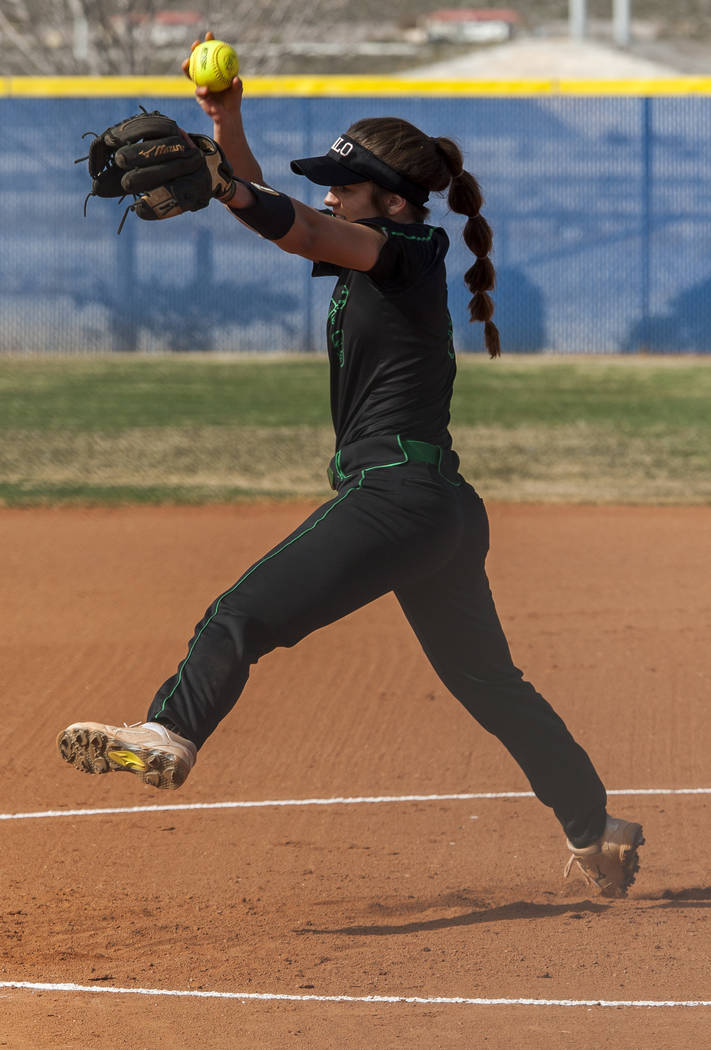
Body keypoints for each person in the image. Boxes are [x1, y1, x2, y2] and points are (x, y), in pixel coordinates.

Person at [58, 35, 644, 898]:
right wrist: (224, 121)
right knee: (489, 684)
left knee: (237, 615)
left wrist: (224, 180)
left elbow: (296, 226)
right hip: (437, 506)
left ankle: (166, 735)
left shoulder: (406, 254)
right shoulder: (376, 248)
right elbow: (294, 218)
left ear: (392, 198)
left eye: (343, 179)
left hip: (396, 495)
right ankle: (598, 830)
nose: (327, 190)